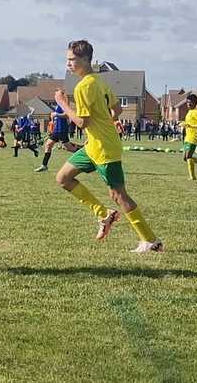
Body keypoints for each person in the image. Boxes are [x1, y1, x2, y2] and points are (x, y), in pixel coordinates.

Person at [54, 40, 161, 253]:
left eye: (72, 60)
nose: (68, 64)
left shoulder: (83, 86)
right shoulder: (99, 81)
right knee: (63, 178)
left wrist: (63, 103)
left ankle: (150, 240)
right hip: (94, 145)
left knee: (119, 194)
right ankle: (104, 214)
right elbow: (116, 110)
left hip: (104, 148)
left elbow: (82, 121)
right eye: (67, 59)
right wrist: (100, 127)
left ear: (86, 60)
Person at [35, 104, 81, 172]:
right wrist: (53, 121)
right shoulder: (57, 105)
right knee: (48, 145)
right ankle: (44, 165)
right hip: (56, 131)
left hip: (62, 130)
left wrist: (56, 114)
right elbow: (55, 118)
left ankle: (85, 152)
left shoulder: (63, 104)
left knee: (68, 148)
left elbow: (67, 115)